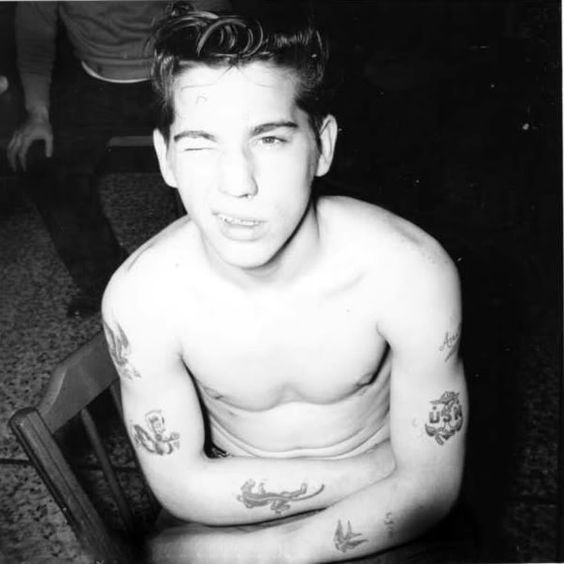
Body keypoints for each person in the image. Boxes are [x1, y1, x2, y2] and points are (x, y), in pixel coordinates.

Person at [102, 3, 468, 562]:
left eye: (270, 139)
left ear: (323, 145)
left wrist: (280, 552)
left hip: (386, 501)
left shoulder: (408, 271)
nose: (236, 183)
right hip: (234, 501)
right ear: (165, 159)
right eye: (199, 143)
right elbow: (181, 486)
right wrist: (381, 468)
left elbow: (431, 489)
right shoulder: (140, 299)